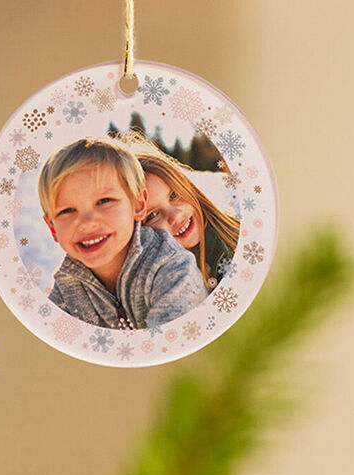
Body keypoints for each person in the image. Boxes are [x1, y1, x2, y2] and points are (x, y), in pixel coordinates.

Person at [38, 136, 205, 329]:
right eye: (67, 211)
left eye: (104, 201)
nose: (87, 223)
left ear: (138, 204)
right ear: (52, 228)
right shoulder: (66, 287)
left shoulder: (171, 267)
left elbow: (171, 342)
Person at [127, 132, 241, 291]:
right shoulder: (151, 284)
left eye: (173, 195)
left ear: (186, 186)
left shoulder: (238, 245)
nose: (175, 215)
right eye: (152, 215)